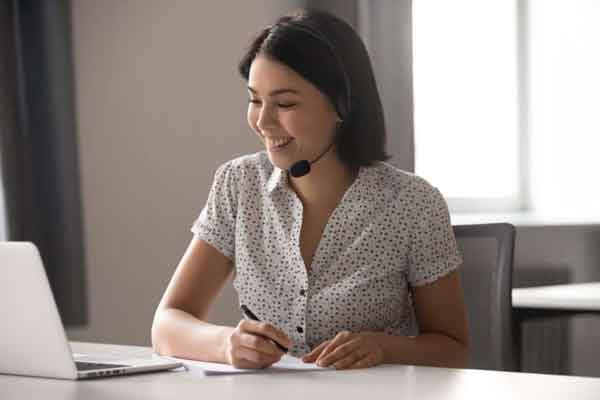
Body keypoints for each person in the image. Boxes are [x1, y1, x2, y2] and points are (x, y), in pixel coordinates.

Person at [152, 8, 469, 370]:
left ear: (342, 106)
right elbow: (167, 325)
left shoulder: (413, 202)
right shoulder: (238, 184)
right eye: (255, 100)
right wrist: (227, 344)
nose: (262, 121)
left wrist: (382, 347)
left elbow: (453, 348)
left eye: (285, 103)